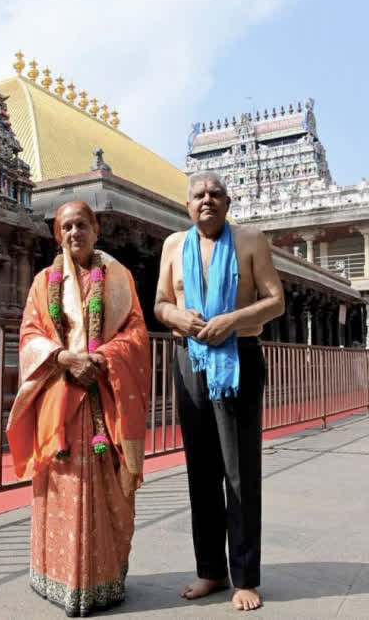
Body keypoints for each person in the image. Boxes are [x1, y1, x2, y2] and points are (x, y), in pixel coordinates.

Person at [5, 200, 152, 616]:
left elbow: (137, 333)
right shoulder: (42, 283)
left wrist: (103, 358)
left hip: (105, 398)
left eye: (81, 225)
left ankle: (103, 581)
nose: (74, 233)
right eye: (66, 227)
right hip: (59, 400)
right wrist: (64, 358)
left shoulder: (120, 278)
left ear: (96, 228)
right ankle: (56, 578)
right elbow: (30, 334)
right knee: (60, 485)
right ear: (58, 235)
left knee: (108, 490)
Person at [154, 171, 284, 612]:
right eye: (197, 195)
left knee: (239, 471)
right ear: (187, 205)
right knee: (201, 470)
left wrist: (231, 319)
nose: (206, 200)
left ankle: (245, 577)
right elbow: (159, 303)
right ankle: (211, 569)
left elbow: (276, 300)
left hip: (239, 356)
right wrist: (179, 317)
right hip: (189, 359)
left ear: (228, 202)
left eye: (214, 194)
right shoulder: (174, 245)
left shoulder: (250, 241)